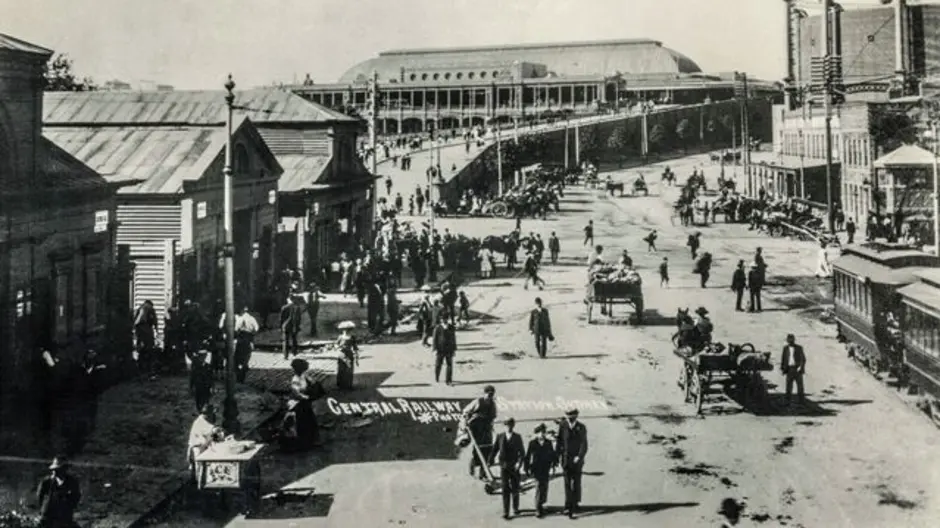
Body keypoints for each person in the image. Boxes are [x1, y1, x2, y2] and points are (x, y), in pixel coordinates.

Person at [490, 417, 526, 520]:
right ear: (504, 426)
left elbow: (522, 453)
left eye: (510, 425)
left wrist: (519, 464)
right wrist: (490, 461)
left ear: (513, 426)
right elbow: (494, 449)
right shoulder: (500, 436)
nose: (508, 427)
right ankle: (506, 512)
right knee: (505, 489)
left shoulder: (517, 437)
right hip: (504, 467)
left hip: (514, 467)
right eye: (506, 425)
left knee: (515, 488)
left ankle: (515, 508)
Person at [556, 408, 588, 519]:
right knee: (567, 483)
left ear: (576, 416)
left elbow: (584, 444)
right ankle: (568, 505)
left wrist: (579, 456)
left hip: (577, 460)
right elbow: (559, 441)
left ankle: (575, 503)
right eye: (568, 415)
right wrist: (558, 456)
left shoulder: (581, 427)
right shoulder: (563, 425)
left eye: (572, 415)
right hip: (566, 460)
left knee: (576, 482)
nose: (570, 417)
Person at [285, 358, 322, 451]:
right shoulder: (297, 379)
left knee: (307, 422)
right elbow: (297, 393)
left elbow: (313, 383)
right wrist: (307, 397)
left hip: (303, 403)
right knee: (302, 422)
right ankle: (304, 442)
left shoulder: (302, 377)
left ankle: (308, 441)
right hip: (299, 404)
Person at [463, 385, 497, 480]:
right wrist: (466, 420)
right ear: (485, 393)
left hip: (486, 428)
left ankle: (483, 473)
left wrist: (490, 422)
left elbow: (493, 416)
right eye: (489, 394)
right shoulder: (478, 401)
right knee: (477, 449)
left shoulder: (492, 404)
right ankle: (472, 467)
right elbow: (466, 411)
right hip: (476, 427)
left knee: (487, 449)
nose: (490, 396)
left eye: (492, 395)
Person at [36, 457, 81, 528]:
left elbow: (76, 498)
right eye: (54, 469)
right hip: (48, 516)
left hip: (64, 517)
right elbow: (39, 497)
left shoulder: (72, 482)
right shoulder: (46, 482)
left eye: (57, 469)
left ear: (64, 469)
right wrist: (42, 512)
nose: (54, 471)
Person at [525, 423, 557, 518]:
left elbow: (552, 454)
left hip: (546, 468)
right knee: (538, 487)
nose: (542, 434)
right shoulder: (532, 443)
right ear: (537, 433)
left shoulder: (548, 442)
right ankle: (537, 508)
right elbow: (527, 456)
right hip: (536, 469)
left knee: (544, 486)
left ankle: (542, 504)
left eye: (544, 432)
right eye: (540, 432)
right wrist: (526, 468)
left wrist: (554, 464)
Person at [187, 404, 223, 478]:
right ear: (207, 414)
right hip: (197, 447)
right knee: (199, 467)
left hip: (203, 445)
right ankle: (199, 485)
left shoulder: (206, 420)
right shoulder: (200, 422)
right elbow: (210, 432)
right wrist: (216, 431)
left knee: (203, 467)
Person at [231, 306, 260, 383]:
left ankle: (239, 377)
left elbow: (236, 329)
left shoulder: (240, 319)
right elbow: (257, 328)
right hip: (249, 338)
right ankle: (243, 372)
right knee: (246, 357)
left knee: (237, 358)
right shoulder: (252, 318)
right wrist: (252, 334)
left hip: (241, 339)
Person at [780, 334, 806, 405]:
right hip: (789, 369)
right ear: (787, 340)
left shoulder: (799, 348)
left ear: (794, 340)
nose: (790, 341)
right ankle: (787, 402)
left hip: (797, 369)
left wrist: (801, 367)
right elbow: (783, 359)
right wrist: (783, 369)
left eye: (792, 339)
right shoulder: (785, 348)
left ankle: (801, 402)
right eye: (789, 339)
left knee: (800, 386)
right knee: (788, 386)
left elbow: (803, 359)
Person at [335, 321, 360, 390]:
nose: (345, 331)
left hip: (349, 354)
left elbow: (355, 347)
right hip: (341, 354)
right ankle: (340, 385)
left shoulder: (352, 337)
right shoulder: (340, 337)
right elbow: (336, 344)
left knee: (349, 369)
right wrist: (338, 347)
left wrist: (357, 357)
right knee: (341, 369)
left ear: (349, 330)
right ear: (342, 330)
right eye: (344, 330)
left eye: (347, 330)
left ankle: (348, 385)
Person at [189, 345, 214, 412]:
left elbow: (211, 378)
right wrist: (191, 387)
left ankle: (204, 411)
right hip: (199, 386)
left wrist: (212, 387)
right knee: (199, 401)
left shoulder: (208, 366)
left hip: (206, 387)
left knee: (206, 401)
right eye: (201, 356)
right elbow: (192, 377)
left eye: (204, 356)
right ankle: (200, 411)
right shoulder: (195, 367)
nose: (202, 358)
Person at [432, 319, 457, 385]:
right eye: (443, 319)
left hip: (449, 349)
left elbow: (453, 338)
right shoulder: (437, 328)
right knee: (438, 364)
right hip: (440, 349)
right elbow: (435, 339)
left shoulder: (451, 327)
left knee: (449, 365)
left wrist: (454, 349)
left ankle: (448, 380)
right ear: (441, 320)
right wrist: (434, 349)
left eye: (445, 319)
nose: (444, 321)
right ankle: (437, 376)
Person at [280, 295, 305, 360]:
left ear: (288, 300)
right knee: (294, 339)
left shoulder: (284, 307)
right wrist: (298, 325)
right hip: (294, 326)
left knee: (285, 341)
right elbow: (299, 318)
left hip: (286, 326)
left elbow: (281, 319)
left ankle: (285, 355)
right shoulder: (297, 307)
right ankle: (294, 353)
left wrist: (281, 327)